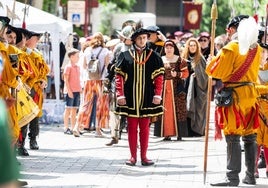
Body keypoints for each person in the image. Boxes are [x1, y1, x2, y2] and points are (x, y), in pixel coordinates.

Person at [206, 15, 262, 186]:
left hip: (235, 96)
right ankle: (250, 176)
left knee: (232, 137)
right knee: (250, 137)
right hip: (251, 96)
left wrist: (211, 61)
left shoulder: (231, 47)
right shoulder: (257, 48)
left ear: (233, 29)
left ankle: (232, 178)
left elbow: (215, 72)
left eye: (229, 29)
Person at [114, 28, 165, 166]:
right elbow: (118, 77)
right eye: (139, 38)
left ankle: (144, 156)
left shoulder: (154, 56)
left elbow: (159, 78)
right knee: (131, 127)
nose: (142, 40)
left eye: (144, 38)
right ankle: (132, 157)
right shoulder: (124, 56)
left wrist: (157, 94)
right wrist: (120, 94)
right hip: (130, 96)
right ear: (134, 40)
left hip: (147, 96)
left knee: (145, 128)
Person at [74, 32, 110, 137]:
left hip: (89, 80)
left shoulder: (87, 51)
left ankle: (77, 126)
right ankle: (98, 130)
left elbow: (84, 66)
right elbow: (108, 66)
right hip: (101, 81)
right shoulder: (105, 51)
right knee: (101, 105)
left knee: (85, 104)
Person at [105, 24, 136, 146]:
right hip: (117, 82)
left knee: (131, 112)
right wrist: (109, 76)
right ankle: (114, 136)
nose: (122, 38)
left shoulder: (137, 49)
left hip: (132, 83)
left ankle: (133, 138)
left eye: (125, 36)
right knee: (114, 111)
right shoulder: (118, 48)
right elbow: (112, 64)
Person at [153, 40, 189, 141]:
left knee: (178, 110)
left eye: (171, 48)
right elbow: (156, 74)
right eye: (167, 48)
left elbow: (186, 73)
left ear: (174, 49)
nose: (168, 50)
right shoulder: (160, 60)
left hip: (176, 89)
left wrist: (177, 74)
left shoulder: (180, 60)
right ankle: (166, 133)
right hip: (163, 89)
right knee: (165, 111)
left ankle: (179, 133)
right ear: (164, 49)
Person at [181, 37, 208, 137]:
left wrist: (197, 75)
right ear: (187, 46)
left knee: (197, 109)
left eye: (194, 45)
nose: (192, 47)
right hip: (185, 86)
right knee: (185, 108)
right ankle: (186, 131)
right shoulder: (183, 57)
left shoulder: (200, 59)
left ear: (197, 47)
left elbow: (206, 75)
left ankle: (196, 131)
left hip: (197, 89)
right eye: (190, 45)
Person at [254, 26, 268, 178]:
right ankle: (253, 168)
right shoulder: (251, 68)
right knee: (255, 140)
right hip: (255, 108)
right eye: (260, 51)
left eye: (264, 51)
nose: (262, 54)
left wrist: (259, 88)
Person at [63, 48, 82, 135]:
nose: (78, 58)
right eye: (77, 56)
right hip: (70, 90)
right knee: (68, 109)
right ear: (71, 57)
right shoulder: (68, 67)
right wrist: (69, 91)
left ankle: (73, 127)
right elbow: (66, 80)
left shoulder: (78, 67)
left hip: (77, 90)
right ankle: (66, 127)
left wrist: (80, 88)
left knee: (74, 109)